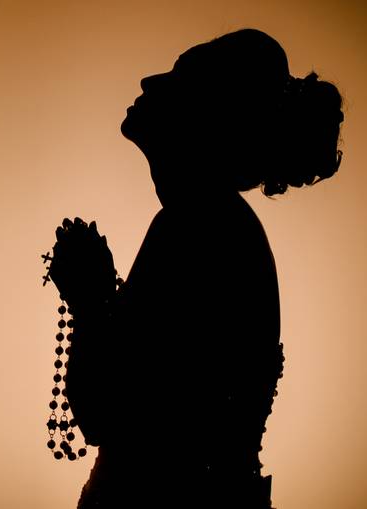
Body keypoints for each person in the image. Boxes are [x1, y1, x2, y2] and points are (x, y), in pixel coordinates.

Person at [47, 28, 344, 509]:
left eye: (178, 75)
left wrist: (91, 297)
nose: (149, 80)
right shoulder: (211, 223)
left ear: (210, 117)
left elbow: (108, 415)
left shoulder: (200, 226)